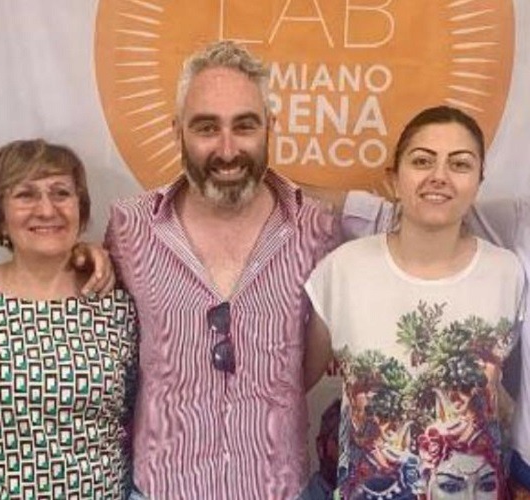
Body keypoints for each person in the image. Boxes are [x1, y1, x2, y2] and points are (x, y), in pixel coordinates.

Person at [106, 40, 335, 498]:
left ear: (270, 127)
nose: (228, 150)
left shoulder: (318, 228)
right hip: (161, 490)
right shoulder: (129, 228)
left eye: (245, 126)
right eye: (207, 127)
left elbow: (304, 368)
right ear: (177, 131)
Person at [304, 105, 525, 498]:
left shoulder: (507, 273)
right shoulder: (343, 270)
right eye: (422, 160)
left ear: (478, 182)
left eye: (460, 164)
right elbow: (294, 382)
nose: (439, 176)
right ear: (394, 179)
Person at [0, 139, 138, 498]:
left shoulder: (117, 304)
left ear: (81, 208)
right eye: (25, 195)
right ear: (0, 216)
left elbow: (137, 410)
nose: (47, 210)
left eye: (61, 193)